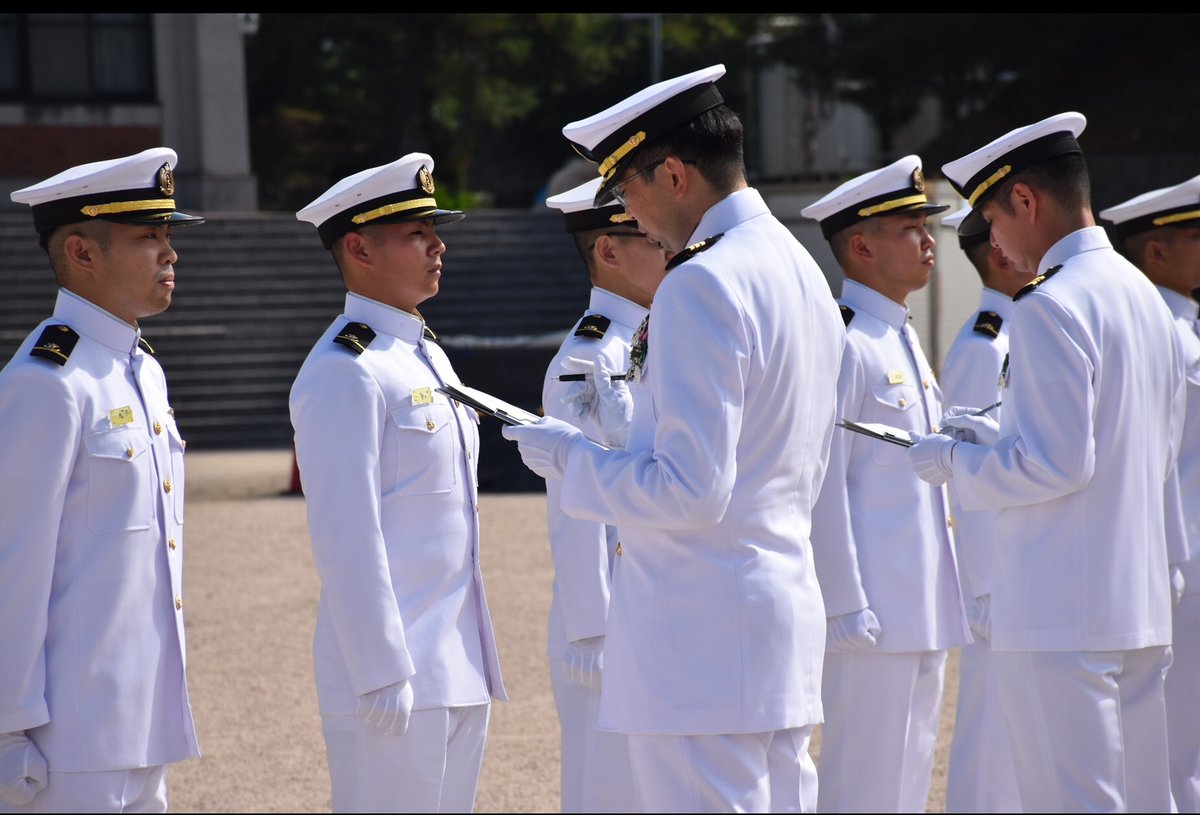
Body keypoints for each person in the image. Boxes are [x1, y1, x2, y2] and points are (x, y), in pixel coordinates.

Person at [502, 63, 846, 812]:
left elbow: (689, 489)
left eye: (628, 188)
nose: (630, 212)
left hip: (701, 642)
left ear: (675, 174)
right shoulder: (799, 267)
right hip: (773, 620)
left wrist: (569, 456)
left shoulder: (701, 282)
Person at [908, 111, 1187, 811]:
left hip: (1062, 611)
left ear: (1026, 202)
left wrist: (954, 459)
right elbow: (1154, 448)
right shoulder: (1145, 299)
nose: (993, 243)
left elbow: (1055, 465)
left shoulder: (1049, 305)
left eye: (991, 221)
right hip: (1139, 602)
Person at [290, 153, 506, 813]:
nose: (439, 245)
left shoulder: (424, 352)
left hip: (456, 665)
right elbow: (345, 533)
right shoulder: (344, 368)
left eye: (433, 229)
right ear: (358, 247)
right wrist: (381, 670)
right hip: (393, 675)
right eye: (417, 233)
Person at [0, 147, 205, 813]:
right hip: (72, 737)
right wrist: (7, 729)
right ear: (83, 254)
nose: (169, 253)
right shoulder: (46, 381)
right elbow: (13, 565)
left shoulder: (141, 367)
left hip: (141, 720)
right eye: (148, 237)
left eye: (168, 235)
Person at [799, 156, 970, 813]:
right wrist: (844, 600)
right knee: (863, 784)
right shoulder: (847, 342)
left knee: (904, 778)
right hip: (871, 612)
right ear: (862, 245)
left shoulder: (895, 334)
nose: (930, 240)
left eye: (926, 226)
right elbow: (825, 479)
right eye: (909, 227)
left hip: (918, 604)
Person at [540, 176, 668, 813]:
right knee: (607, 791)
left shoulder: (656, 337)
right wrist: (590, 627)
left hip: (652, 605)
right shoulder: (586, 356)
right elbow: (577, 499)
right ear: (608, 253)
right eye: (648, 237)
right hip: (610, 620)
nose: (668, 246)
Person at [1100, 176, 1200, 812]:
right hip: (1176, 555)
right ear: (1154, 253)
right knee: (1171, 735)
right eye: (1195, 237)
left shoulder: (1183, 327)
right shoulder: (1160, 330)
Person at [936, 204, 1027, 814]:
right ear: (999, 253)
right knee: (994, 738)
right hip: (1003, 579)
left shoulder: (1028, 329)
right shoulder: (984, 344)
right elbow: (965, 474)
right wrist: (986, 585)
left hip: (1028, 570)